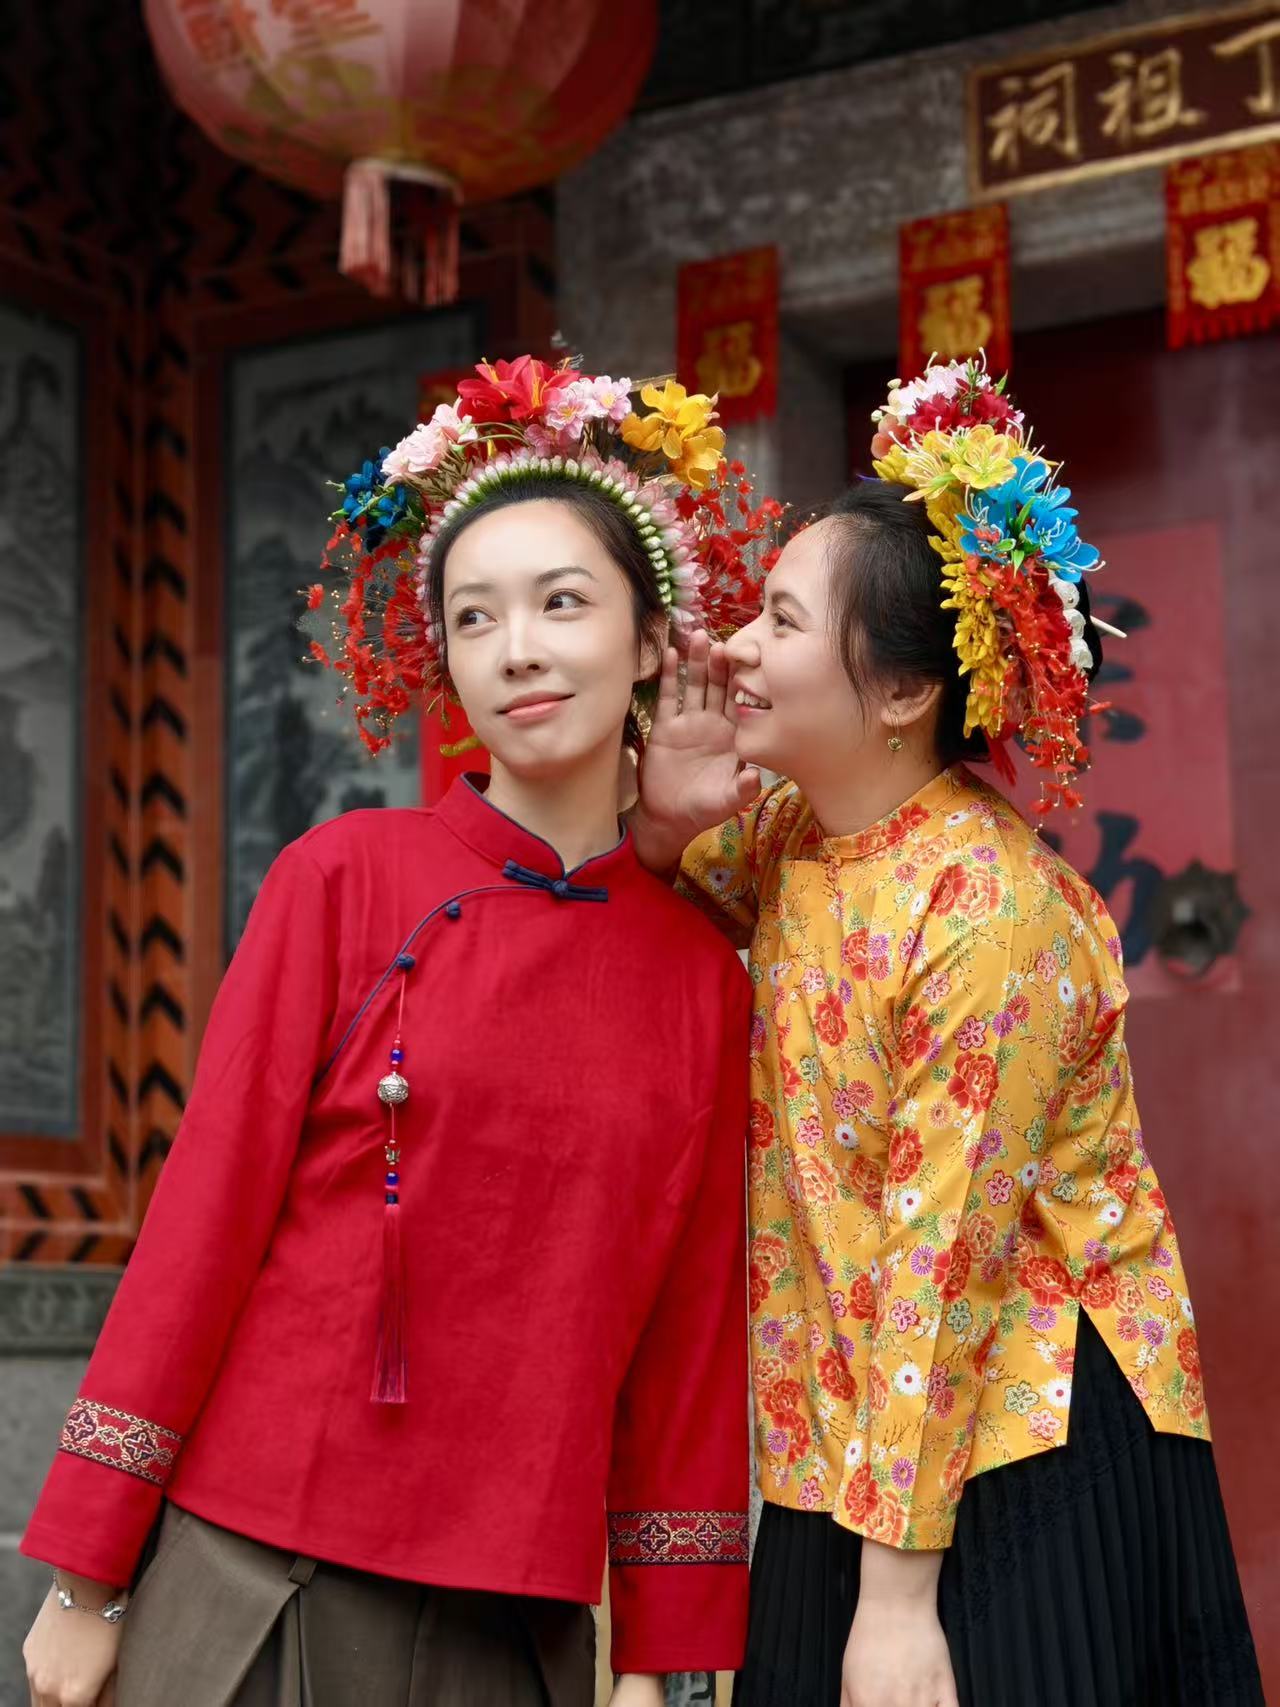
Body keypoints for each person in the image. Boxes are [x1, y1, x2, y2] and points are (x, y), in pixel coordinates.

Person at [21, 357, 777, 1707]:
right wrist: (86, 1571)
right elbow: (204, 1219)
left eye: (562, 603)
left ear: (653, 643)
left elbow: (688, 1335)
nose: (518, 649)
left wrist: (667, 1663)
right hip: (263, 1572)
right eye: (475, 619)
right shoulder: (343, 877)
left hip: (518, 1624)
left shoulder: (700, 980)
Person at [629, 359, 1264, 1707]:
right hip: (848, 1431)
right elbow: (660, 901)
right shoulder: (793, 836)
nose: (735, 645)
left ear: (904, 695)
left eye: (781, 621)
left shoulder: (994, 908)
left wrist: (899, 1601)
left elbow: (945, 1251)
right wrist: (670, 813)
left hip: (1028, 1438)